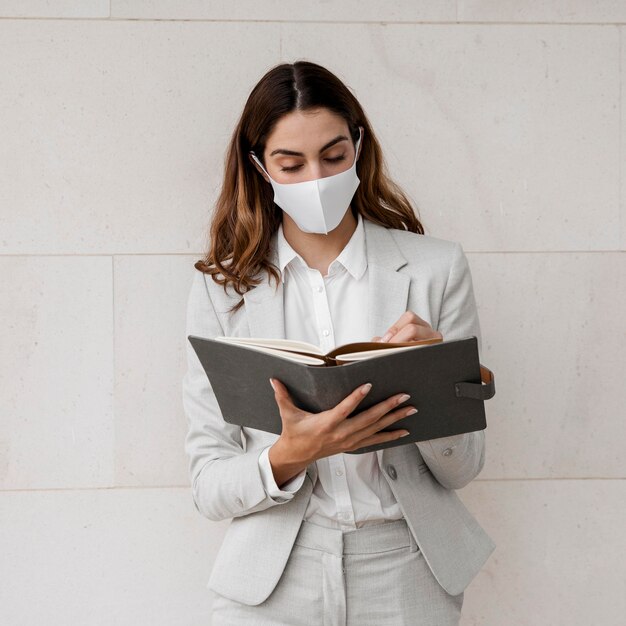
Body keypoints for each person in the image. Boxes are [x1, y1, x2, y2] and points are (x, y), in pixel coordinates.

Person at [182, 60, 495, 625]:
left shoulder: (434, 269)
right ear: (259, 167)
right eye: (290, 163)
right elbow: (208, 485)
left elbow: (462, 468)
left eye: (333, 156)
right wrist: (289, 454)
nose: (316, 179)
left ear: (358, 146)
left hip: (406, 566)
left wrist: (433, 383)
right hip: (272, 578)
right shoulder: (222, 288)